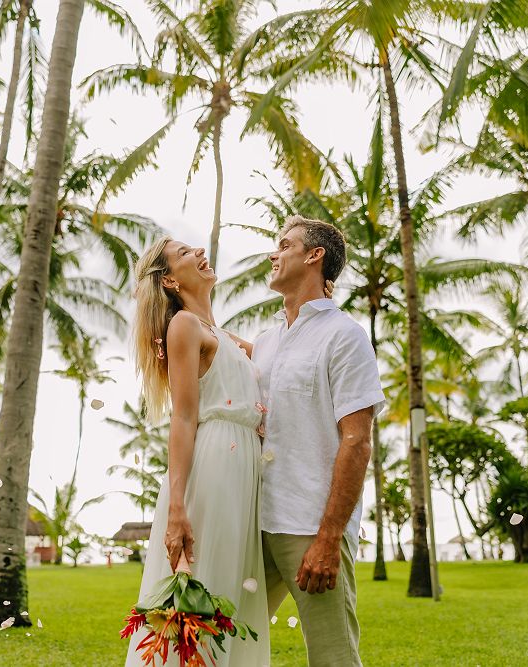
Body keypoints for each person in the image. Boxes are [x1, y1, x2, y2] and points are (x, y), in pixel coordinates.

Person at [124, 237, 270, 666]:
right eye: (186, 253)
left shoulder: (222, 336)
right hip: (214, 468)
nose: (199, 252)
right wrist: (176, 508)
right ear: (169, 279)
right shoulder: (184, 326)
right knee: (206, 594)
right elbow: (184, 418)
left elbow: (283, 354)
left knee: (232, 600)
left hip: (244, 469)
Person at [252, 215, 384, 666]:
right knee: (223, 640)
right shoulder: (267, 341)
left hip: (310, 527)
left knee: (333, 658)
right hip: (254, 522)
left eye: (284, 245)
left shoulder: (344, 336)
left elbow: (357, 442)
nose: (274, 253)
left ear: (314, 255)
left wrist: (328, 538)